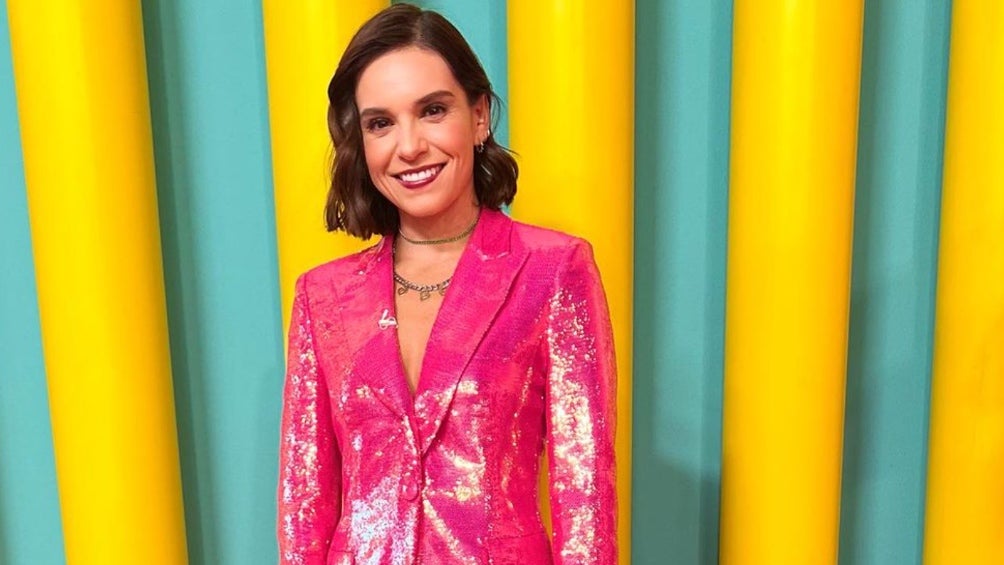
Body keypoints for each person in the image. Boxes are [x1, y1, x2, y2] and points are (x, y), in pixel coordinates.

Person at [276, 4, 617, 564]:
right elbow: (303, 508)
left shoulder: (554, 270)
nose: (409, 145)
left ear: (479, 116)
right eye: (380, 123)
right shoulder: (322, 297)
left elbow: (585, 499)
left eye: (432, 110)